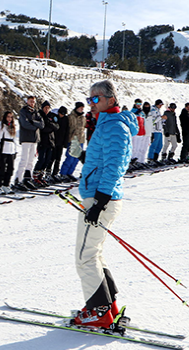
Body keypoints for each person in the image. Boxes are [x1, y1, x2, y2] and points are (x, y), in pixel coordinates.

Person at [72, 80, 138, 330]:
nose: (91, 103)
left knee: (84, 257)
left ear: (111, 99)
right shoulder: (108, 123)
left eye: (95, 99)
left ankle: (98, 312)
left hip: (102, 198)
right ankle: (107, 306)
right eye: (89, 99)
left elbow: (115, 167)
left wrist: (99, 202)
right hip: (100, 195)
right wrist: (81, 155)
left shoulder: (114, 127)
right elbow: (102, 161)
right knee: (94, 253)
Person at [14, 96, 44, 189]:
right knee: (24, 159)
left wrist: (33, 122)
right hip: (26, 138)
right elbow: (25, 124)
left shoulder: (36, 112)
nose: (32, 103)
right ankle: (18, 179)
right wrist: (35, 126)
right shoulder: (23, 111)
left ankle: (27, 178)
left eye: (33, 102)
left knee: (31, 160)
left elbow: (42, 124)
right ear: (27, 101)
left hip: (34, 139)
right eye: (31, 101)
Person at [33, 101, 59, 186]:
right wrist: (51, 127)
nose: (47, 109)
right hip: (42, 141)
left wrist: (50, 126)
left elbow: (56, 126)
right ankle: (35, 177)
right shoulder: (40, 115)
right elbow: (43, 128)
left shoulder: (50, 116)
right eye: (45, 108)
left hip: (50, 141)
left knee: (47, 160)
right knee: (42, 159)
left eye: (48, 108)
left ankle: (41, 176)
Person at [0, 111, 18, 194]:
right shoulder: (1, 125)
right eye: (8, 117)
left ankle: (6, 185)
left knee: (10, 169)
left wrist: (15, 151)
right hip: (3, 150)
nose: (9, 118)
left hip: (11, 150)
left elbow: (15, 139)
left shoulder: (12, 126)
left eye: (11, 117)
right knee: (2, 169)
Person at [59, 102, 86, 181]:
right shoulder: (70, 117)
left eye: (82, 108)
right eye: (80, 107)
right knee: (70, 157)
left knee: (77, 158)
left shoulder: (83, 118)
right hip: (73, 139)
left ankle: (70, 173)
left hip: (81, 140)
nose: (82, 109)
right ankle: (63, 173)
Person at [48, 106, 69, 180]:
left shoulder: (66, 119)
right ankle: (48, 173)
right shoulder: (54, 117)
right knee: (51, 158)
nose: (62, 115)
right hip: (54, 141)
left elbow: (67, 131)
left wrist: (65, 143)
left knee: (58, 159)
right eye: (61, 113)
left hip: (61, 141)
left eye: (63, 114)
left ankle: (55, 173)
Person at [130, 99, 148, 164]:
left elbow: (144, 122)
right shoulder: (132, 111)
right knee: (134, 148)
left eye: (140, 104)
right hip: (135, 132)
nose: (138, 105)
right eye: (137, 104)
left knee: (139, 147)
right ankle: (131, 160)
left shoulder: (142, 112)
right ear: (135, 104)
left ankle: (137, 160)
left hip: (141, 132)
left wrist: (144, 131)